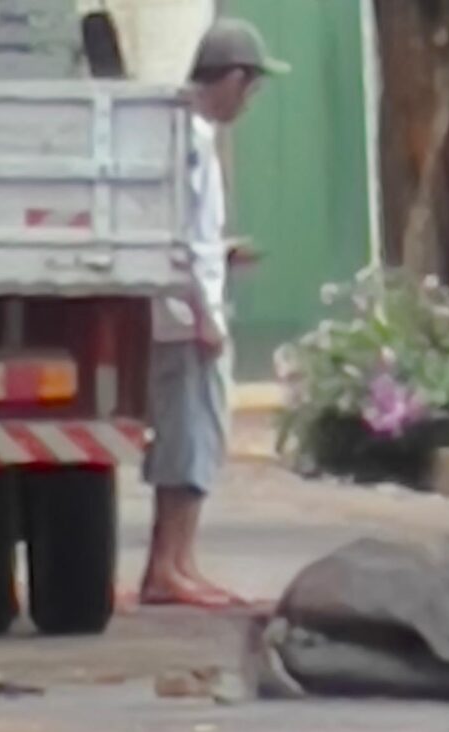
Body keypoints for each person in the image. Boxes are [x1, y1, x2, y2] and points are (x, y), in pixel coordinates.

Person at [140, 18, 288, 608]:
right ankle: (167, 567)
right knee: (187, 441)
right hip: (186, 316)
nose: (249, 103)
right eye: (249, 89)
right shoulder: (191, 140)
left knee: (196, 438)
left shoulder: (190, 137)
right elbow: (184, 238)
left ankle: (179, 562)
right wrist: (206, 316)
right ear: (230, 79)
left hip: (189, 306)